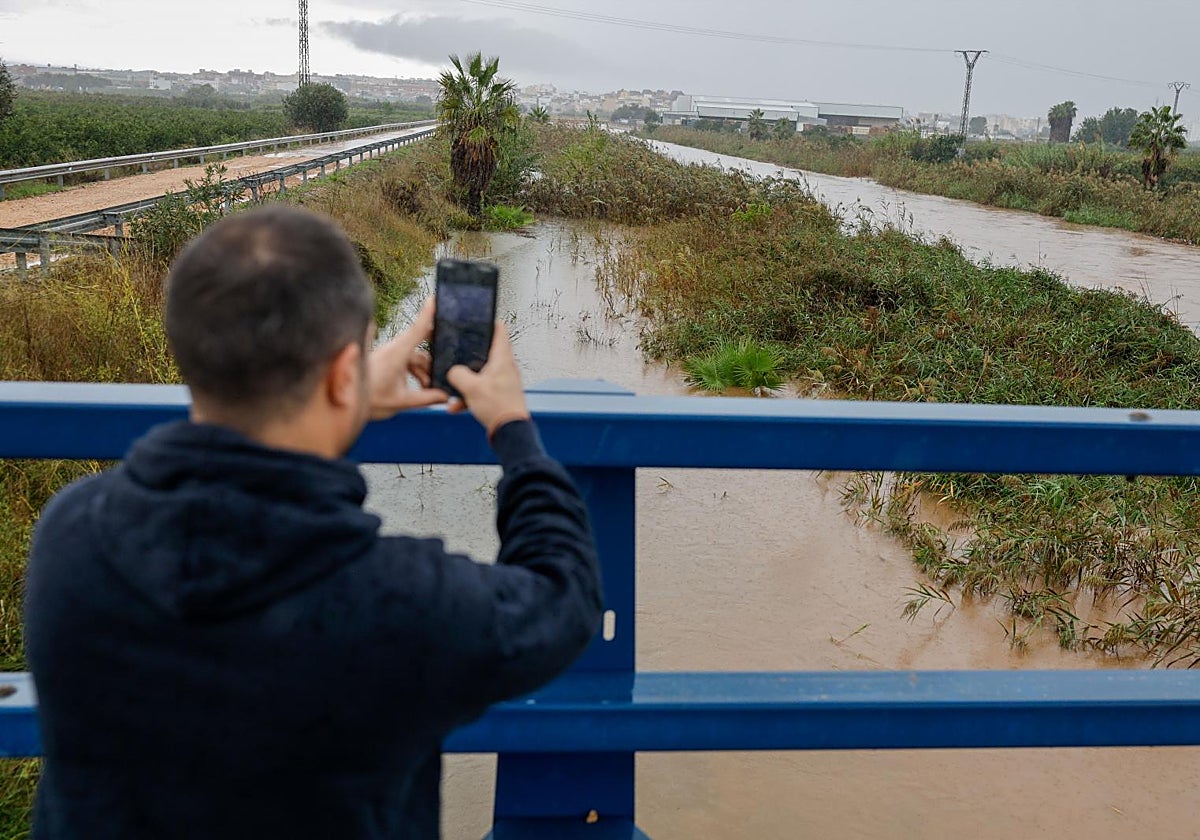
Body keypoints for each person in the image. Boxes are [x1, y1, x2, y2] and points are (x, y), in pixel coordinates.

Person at [23, 205, 603, 839]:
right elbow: (563, 599)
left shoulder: (70, 536)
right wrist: (514, 431)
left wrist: (342, 395)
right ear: (343, 373)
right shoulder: (401, 604)